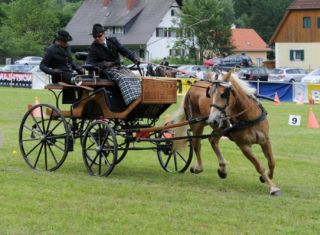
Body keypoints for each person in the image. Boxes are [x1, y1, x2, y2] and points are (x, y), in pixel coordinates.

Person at [86, 23, 141, 105]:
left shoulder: (113, 41)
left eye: (99, 36)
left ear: (104, 34)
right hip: (106, 71)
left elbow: (124, 50)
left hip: (119, 68)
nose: (97, 38)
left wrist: (134, 58)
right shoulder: (93, 48)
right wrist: (104, 64)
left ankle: (139, 97)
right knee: (123, 78)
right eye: (95, 37)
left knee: (133, 76)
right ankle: (131, 101)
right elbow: (89, 63)